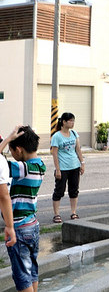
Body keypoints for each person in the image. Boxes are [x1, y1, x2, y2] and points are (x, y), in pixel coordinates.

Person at [1, 125, 46, 292]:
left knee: (22, 277)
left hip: (19, 228)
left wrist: (7, 140)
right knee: (32, 272)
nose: (11, 155)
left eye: (11, 151)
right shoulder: (40, 165)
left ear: (18, 150)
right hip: (33, 226)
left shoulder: (23, 168)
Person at [50, 112, 85, 222]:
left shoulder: (74, 133)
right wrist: (58, 169)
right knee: (59, 191)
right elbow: (54, 154)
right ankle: (56, 214)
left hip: (74, 166)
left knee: (74, 190)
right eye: (70, 121)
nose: (72, 123)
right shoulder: (57, 136)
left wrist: (82, 163)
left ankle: (73, 212)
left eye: (73, 121)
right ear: (64, 122)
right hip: (63, 168)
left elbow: (78, 149)